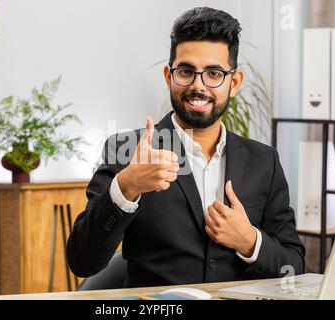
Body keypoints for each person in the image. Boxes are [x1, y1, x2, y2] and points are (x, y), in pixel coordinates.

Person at [67, 7, 305, 288]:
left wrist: (250, 241)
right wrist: (126, 187)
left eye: (214, 73)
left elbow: (295, 269)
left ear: (235, 82)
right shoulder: (127, 150)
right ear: (169, 76)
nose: (198, 86)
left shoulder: (264, 161)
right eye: (186, 72)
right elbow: (82, 261)